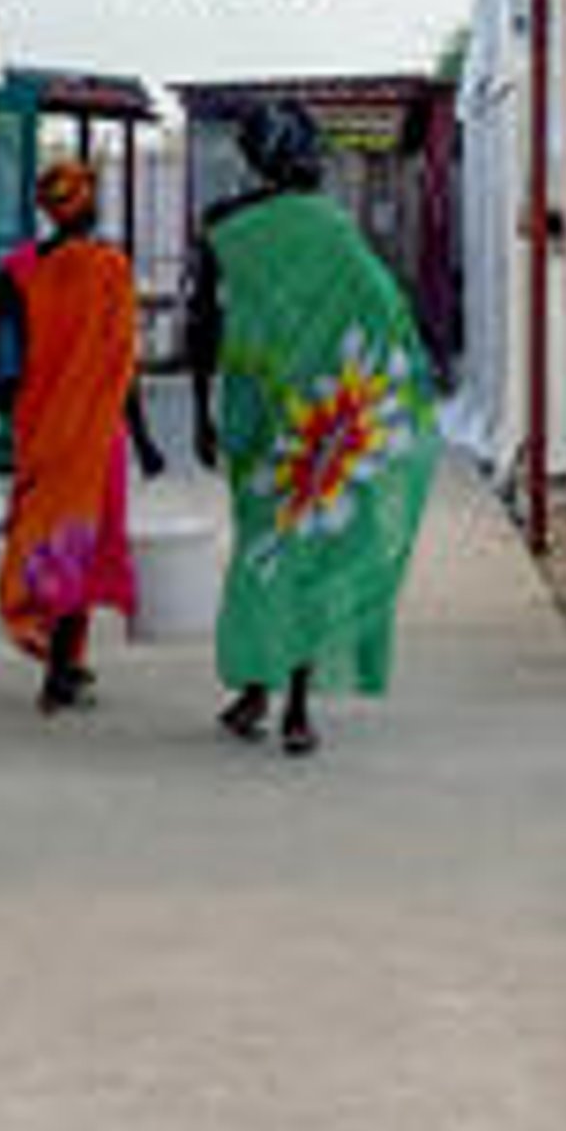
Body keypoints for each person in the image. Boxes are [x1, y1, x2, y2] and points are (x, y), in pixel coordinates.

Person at [186, 103, 437, 756]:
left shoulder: (223, 226)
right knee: (306, 551)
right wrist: (394, 390)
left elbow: (201, 326)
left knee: (260, 547)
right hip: (316, 423)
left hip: (257, 413)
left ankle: (256, 693)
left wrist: (199, 412)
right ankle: (292, 707)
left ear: (251, 158)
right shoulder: (333, 229)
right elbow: (383, 313)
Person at [0, 161, 166, 714]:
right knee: (78, 542)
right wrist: (145, 441)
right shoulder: (110, 268)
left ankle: (67, 659)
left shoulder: (19, 269)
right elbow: (124, 364)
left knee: (51, 537)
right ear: (85, 202)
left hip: (38, 428)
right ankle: (59, 671)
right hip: (94, 434)